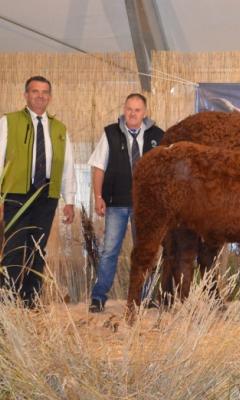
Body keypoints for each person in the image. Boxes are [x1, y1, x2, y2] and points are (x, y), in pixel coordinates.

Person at [0, 76, 76, 308]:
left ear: (50, 97)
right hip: (15, 195)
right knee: (14, 247)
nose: (40, 95)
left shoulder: (60, 128)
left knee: (37, 248)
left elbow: (68, 166)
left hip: (47, 195)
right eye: (35, 91)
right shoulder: (8, 122)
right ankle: (7, 301)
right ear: (26, 95)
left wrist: (69, 200)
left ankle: (30, 301)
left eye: (45, 92)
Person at [88, 93, 163, 312]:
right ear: (124, 110)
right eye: (129, 109)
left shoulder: (158, 136)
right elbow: (98, 167)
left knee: (146, 251)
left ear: (145, 112)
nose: (132, 113)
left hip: (146, 207)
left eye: (137, 110)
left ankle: (147, 296)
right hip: (116, 204)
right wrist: (98, 196)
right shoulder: (110, 133)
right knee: (109, 251)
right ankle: (99, 297)